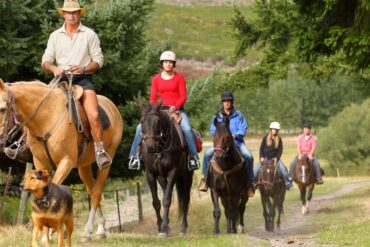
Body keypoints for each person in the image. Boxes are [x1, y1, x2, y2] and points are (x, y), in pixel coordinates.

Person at [41, 0, 111, 169]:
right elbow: (45, 60)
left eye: (74, 12)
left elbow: (99, 60)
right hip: (60, 79)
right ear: (63, 14)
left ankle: (100, 151)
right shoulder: (55, 35)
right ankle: (24, 145)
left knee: (94, 114)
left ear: (79, 14)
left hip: (83, 80)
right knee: (38, 106)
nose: (71, 15)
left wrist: (84, 68)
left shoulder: (89, 34)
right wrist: (54, 68)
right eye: (68, 12)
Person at [128, 51, 200, 171]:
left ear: (174, 64)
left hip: (176, 111)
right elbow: (152, 97)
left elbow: (183, 96)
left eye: (170, 62)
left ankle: (193, 158)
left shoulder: (179, 78)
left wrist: (176, 107)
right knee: (139, 129)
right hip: (159, 110)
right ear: (162, 64)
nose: (168, 64)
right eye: (166, 62)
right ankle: (135, 157)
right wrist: (153, 108)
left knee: (187, 129)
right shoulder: (156, 79)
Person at [198, 92, 254, 195]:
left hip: (237, 142)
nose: (227, 103)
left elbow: (244, 128)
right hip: (221, 144)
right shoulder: (216, 116)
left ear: (232, 102)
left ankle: (250, 182)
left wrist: (235, 135)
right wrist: (220, 136)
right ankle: (205, 180)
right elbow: (212, 130)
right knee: (206, 155)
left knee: (249, 156)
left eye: (229, 101)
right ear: (222, 103)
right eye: (225, 101)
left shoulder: (239, 115)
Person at [254, 122, 292, 190]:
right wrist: (261, 157)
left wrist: (277, 158)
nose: (274, 131)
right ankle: (254, 184)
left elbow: (280, 150)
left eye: (276, 130)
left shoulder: (279, 139)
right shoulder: (265, 138)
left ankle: (287, 183)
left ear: (278, 131)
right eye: (273, 129)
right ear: (271, 129)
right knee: (255, 170)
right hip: (265, 159)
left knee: (283, 169)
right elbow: (261, 149)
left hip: (274, 159)